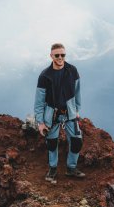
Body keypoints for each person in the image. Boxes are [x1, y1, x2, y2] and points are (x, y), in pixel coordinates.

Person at [34, 43, 85, 183]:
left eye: (63, 55)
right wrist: (40, 122)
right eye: (57, 55)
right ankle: (53, 169)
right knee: (51, 143)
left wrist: (77, 110)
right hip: (52, 115)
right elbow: (39, 102)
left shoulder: (72, 71)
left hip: (70, 113)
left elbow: (77, 92)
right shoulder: (45, 76)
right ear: (51, 56)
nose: (60, 58)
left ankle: (71, 168)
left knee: (76, 141)